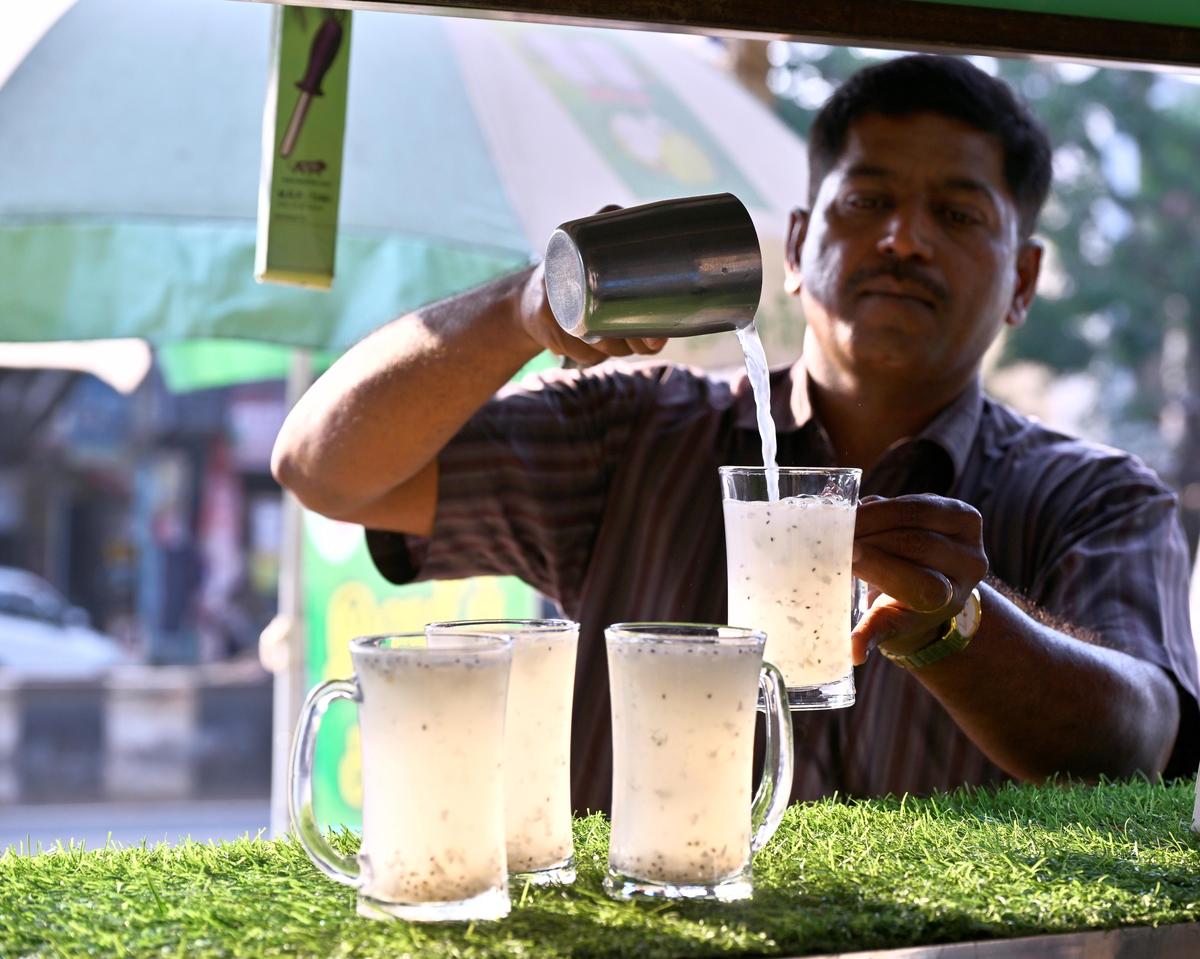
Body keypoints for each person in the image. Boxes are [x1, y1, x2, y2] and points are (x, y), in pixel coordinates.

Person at [272, 54, 1199, 812]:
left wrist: (957, 621)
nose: (903, 240)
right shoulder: (633, 435)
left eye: (956, 215)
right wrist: (522, 308)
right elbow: (324, 469)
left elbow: (1141, 743)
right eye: (866, 201)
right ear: (795, 248)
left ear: (1025, 280)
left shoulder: (1095, 498)